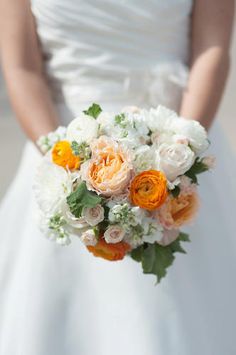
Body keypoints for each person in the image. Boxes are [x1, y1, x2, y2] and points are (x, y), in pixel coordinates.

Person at [0, 0, 235, 354]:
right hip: (63, 147)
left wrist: (176, 160)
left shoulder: (177, 156)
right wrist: (67, 171)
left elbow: (212, 48)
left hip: (175, 138)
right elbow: (21, 67)